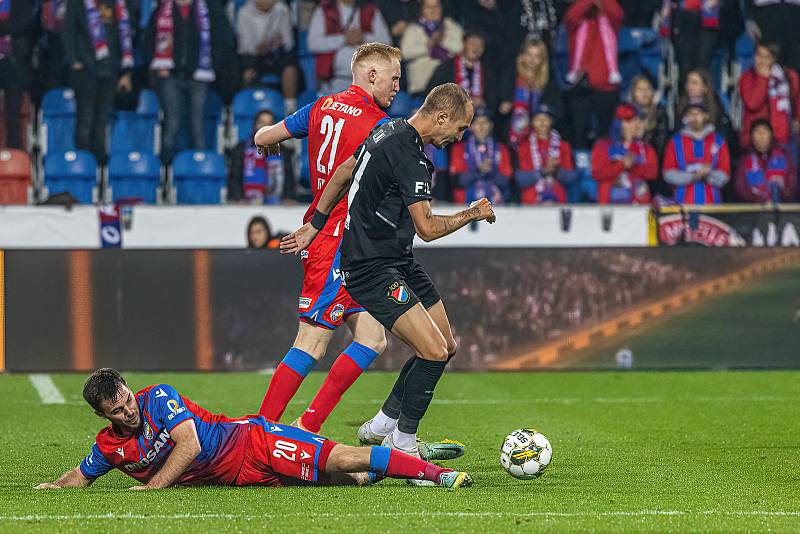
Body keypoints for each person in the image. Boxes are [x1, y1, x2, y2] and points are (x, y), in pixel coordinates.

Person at [254, 45, 458, 463]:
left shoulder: (320, 106)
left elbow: (264, 136)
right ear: (369, 75)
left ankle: (313, 427)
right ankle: (261, 435)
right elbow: (352, 173)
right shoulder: (381, 127)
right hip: (338, 238)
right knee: (311, 342)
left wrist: (269, 145)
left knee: (372, 338)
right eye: (393, 78)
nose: (397, 86)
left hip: (341, 237)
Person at [279, 84, 495, 465]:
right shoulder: (409, 155)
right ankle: (403, 444)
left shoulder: (387, 129)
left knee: (447, 346)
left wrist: (314, 223)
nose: (459, 137)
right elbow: (427, 228)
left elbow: (345, 171)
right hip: (370, 267)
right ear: (441, 117)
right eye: (460, 129)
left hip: (399, 259)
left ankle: (383, 423)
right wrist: (471, 214)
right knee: (432, 351)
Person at [34, 368, 473, 490]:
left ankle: (433, 473)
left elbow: (187, 445)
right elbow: (83, 473)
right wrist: (57, 485)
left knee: (339, 457)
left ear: (131, 390)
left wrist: (151, 489)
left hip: (254, 442)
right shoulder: (109, 446)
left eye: (128, 400)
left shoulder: (159, 398)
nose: (130, 411)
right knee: (352, 477)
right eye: (119, 410)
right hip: (243, 477)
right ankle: (402, 464)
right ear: (103, 416)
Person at [144, 0, 232, 163]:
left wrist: (212, 65)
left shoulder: (210, 8)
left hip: (199, 76)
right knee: (172, 122)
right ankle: (166, 170)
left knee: (197, 125)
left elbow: (222, 41)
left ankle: (199, 165)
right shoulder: (162, 9)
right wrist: (156, 64)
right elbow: (148, 40)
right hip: (170, 75)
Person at [63, 0, 135, 164]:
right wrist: (74, 60)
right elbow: (68, 29)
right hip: (86, 68)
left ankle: (99, 167)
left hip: (110, 69)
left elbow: (124, 35)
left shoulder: (118, 4)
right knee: (85, 119)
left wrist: (125, 71)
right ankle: (83, 163)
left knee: (101, 120)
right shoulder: (78, 3)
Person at [564, 0, 623, 149]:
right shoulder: (576, 25)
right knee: (579, 131)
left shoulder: (611, 22)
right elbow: (571, 15)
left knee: (604, 133)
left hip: (606, 85)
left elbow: (617, 13)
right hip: (580, 83)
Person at [308, 0, 391, 94]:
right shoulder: (324, 10)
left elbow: (386, 43)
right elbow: (313, 44)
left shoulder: (370, 10)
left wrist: (363, 38)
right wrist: (344, 39)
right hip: (333, 84)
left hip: (368, 84)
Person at [236, 0, 300, 112]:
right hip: (253, 56)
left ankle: (290, 108)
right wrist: (261, 45)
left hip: (276, 54)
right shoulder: (244, 12)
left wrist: (277, 43)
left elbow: (289, 43)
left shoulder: (282, 9)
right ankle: (243, 109)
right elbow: (244, 47)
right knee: (244, 71)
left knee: (290, 67)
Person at [662, 102, 731, 204]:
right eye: (690, 114)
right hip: (682, 204)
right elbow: (667, 174)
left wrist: (708, 174)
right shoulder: (675, 141)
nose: (694, 117)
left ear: (706, 116)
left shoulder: (718, 140)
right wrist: (693, 177)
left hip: (712, 205)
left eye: (698, 113)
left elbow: (725, 175)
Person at [591, 104, 659, 204]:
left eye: (637, 120)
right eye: (631, 121)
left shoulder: (645, 148)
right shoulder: (603, 146)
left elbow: (653, 173)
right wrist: (622, 165)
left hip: (637, 203)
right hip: (609, 204)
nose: (637, 124)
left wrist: (633, 165)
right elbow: (597, 173)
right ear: (620, 124)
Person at [738, 41, 800, 150]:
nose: (761, 61)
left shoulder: (789, 76)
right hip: (756, 141)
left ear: (773, 59)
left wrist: (797, 119)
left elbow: (797, 99)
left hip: (785, 139)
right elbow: (752, 103)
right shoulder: (748, 77)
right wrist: (763, 79)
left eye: (766, 57)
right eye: (758, 55)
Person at [505, 39, 564, 147]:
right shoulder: (511, 75)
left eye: (537, 56)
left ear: (543, 59)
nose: (532, 60)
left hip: (539, 136)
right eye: (529, 54)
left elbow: (558, 111)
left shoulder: (549, 82)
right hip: (511, 134)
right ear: (522, 55)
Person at [229, 110, 295, 204]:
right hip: (245, 205)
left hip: (278, 206)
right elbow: (235, 177)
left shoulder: (283, 151)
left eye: (270, 123)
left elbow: (289, 178)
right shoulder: (241, 149)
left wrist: (288, 198)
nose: (266, 127)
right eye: (262, 123)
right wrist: (239, 199)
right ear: (255, 125)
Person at [449, 107, 512, 204]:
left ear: (491, 125)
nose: (481, 126)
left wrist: (492, 171)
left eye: (485, 123)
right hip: (465, 205)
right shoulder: (459, 148)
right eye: (477, 123)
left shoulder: (501, 148)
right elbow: (458, 181)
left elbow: (506, 182)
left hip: (496, 205)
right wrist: (478, 170)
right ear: (470, 126)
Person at [514, 104, 576, 204]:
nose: (542, 123)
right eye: (538, 119)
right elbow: (520, 179)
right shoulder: (523, 146)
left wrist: (556, 171)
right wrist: (541, 172)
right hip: (531, 202)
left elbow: (571, 178)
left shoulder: (563, 146)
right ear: (532, 122)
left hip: (558, 200)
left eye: (546, 119)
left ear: (551, 121)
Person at [425, 30, 499, 114]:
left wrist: (483, 102)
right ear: (464, 44)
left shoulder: (488, 71)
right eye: (472, 43)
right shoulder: (447, 67)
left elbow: (494, 99)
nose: (476, 48)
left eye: (480, 45)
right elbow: (432, 93)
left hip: (478, 117)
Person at [400, 0, 462, 96]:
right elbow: (405, 52)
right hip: (422, 86)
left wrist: (443, 40)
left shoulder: (451, 26)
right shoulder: (413, 29)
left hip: (450, 86)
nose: (433, 10)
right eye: (428, 7)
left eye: (436, 6)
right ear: (422, 10)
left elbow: (462, 48)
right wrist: (428, 46)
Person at [659, 0, 721, 88]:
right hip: (683, 19)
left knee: (702, 69)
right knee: (685, 69)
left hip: (707, 22)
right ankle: (684, 99)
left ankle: (704, 100)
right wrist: (665, 22)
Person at [735, 119, 797, 203]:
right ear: (752, 136)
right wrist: (760, 200)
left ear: (771, 134)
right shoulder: (745, 160)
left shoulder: (784, 156)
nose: (761, 135)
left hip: (782, 208)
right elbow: (741, 188)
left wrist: (780, 197)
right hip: (754, 210)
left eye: (764, 131)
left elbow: (792, 183)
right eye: (757, 132)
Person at [0, 0, 32, 150]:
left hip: (13, 62)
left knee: (13, 114)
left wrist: (6, 27)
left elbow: (22, 24)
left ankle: (15, 154)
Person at [628, 75, 669, 152]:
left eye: (648, 89)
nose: (645, 93)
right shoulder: (627, 113)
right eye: (640, 89)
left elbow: (661, 143)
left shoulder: (660, 114)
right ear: (633, 92)